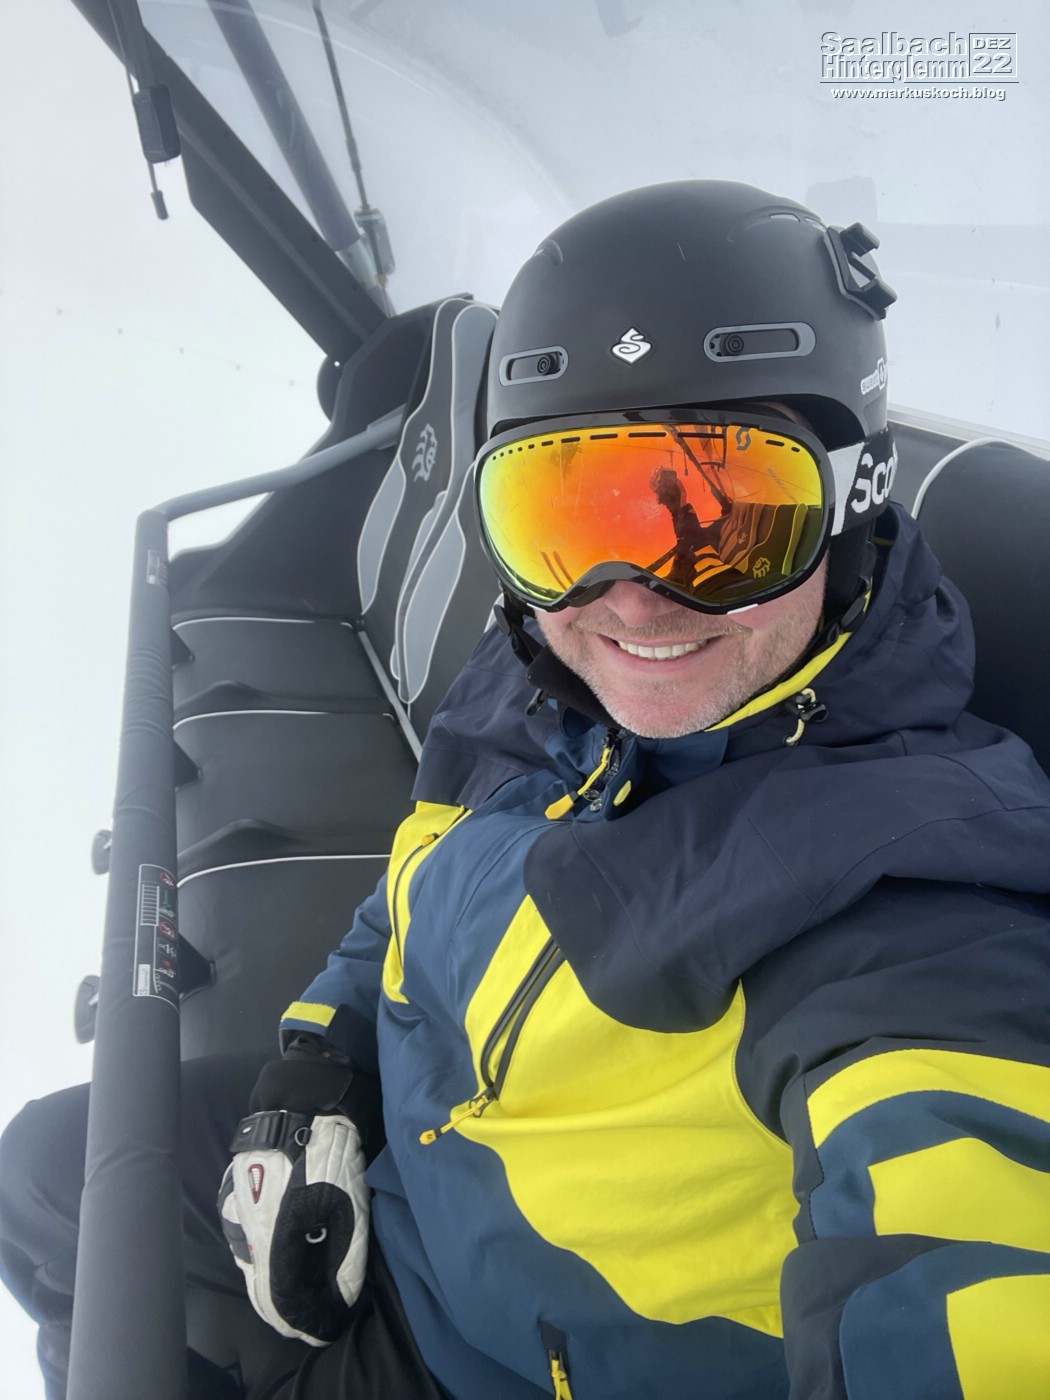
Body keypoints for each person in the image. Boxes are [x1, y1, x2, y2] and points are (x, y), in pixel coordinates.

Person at [4, 180, 1050, 1400]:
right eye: (566, 513)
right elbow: (422, 872)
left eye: (724, 517)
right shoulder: (539, 673)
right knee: (39, 1176)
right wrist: (322, 1065)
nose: (632, 598)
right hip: (398, 1176)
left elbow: (967, 1275)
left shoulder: (921, 915)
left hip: (474, 1364)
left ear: (855, 496)